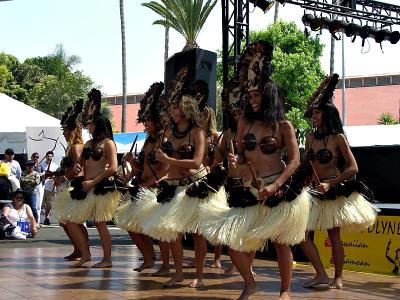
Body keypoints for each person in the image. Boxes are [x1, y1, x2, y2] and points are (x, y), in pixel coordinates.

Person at [200, 41, 311, 300]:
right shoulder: (243, 123)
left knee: (282, 243)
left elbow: (294, 161)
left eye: (256, 96)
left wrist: (275, 186)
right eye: (249, 96)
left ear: (268, 95)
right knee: (232, 242)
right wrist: (234, 159)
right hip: (249, 190)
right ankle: (250, 282)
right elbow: (241, 153)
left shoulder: (284, 126)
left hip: (276, 189)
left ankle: (285, 290)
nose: (251, 100)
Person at [141, 67, 227, 288]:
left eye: (176, 107)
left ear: (186, 109)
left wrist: (169, 162)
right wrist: (166, 175)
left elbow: (197, 162)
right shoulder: (169, 133)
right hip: (175, 187)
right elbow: (170, 161)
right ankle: (178, 273)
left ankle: (198, 275)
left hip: (195, 187)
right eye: (171, 108)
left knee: (198, 235)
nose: (172, 111)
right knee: (173, 232)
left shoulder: (197, 133)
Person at [300, 73, 379, 289]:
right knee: (301, 235)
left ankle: (338, 277)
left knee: (333, 235)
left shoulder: (338, 138)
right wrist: (305, 176)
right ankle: (321, 274)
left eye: (317, 113)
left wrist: (331, 183)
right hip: (314, 192)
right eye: (313, 113)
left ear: (327, 114)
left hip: (332, 190)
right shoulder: (309, 138)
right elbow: (307, 166)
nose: (313, 117)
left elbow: (353, 167)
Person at [115, 82, 170, 275]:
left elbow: (167, 168)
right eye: (144, 120)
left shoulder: (164, 140)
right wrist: (131, 162)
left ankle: (164, 264)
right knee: (131, 225)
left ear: (156, 120)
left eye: (148, 120)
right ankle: (148, 258)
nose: (145, 123)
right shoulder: (148, 141)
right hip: (142, 187)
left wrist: (151, 183)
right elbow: (141, 168)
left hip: (156, 190)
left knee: (159, 230)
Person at [66, 89, 120, 268]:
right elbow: (80, 163)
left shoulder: (109, 144)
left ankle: (107, 259)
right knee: (71, 220)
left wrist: (93, 182)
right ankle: (86, 254)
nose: (88, 127)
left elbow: (112, 168)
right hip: (87, 188)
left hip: (99, 188)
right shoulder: (88, 144)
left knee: (100, 223)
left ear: (99, 124)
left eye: (91, 124)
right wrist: (77, 167)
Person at [52, 99, 89, 261]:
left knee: (74, 221)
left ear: (72, 130)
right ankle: (78, 249)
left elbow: (79, 170)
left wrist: (64, 178)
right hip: (71, 185)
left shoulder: (76, 147)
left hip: (77, 187)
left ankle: (84, 250)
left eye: (65, 129)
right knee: (65, 221)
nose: (63, 133)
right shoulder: (72, 146)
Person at [19, 160, 41, 225]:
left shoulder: (36, 174)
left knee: (33, 207)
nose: (30, 167)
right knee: (24, 207)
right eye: (29, 165)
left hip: (32, 193)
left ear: (33, 166)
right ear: (26, 166)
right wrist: (31, 180)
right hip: (24, 193)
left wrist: (26, 181)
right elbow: (21, 180)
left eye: (31, 165)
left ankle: (36, 222)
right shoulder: (23, 173)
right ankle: (26, 222)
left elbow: (36, 182)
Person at [40, 151, 58, 225]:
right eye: (48, 156)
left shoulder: (55, 166)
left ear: (52, 157)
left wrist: (52, 176)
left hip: (51, 188)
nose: (49, 158)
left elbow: (56, 176)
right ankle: (37, 219)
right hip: (42, 187)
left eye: (50, 156)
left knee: (49, 204)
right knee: (40, 204)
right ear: (46, 156)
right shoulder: (41, 165)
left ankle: (46, 218)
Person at [31, 152, 44, 224]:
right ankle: (33, 220)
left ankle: (37, 221)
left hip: (39, 185)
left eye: (37, 157)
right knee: (34, 204)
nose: (36, 158)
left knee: (39, 203)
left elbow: (43, 172)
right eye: (35, 157)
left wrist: (42, 173)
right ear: (32, 157)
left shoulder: (40, 165)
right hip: (32, 185)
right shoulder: (30, 164)